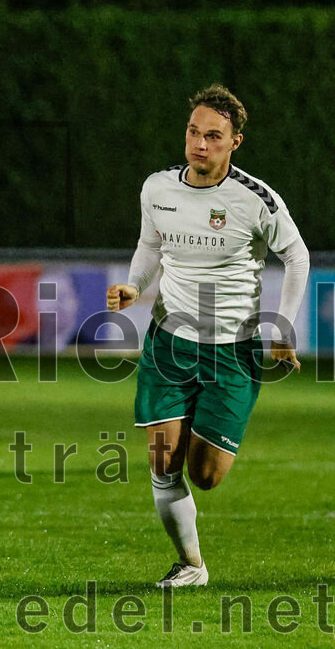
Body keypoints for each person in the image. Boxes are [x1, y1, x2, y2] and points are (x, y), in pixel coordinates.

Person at [107, 84, 310, 588]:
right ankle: (191, 565)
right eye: (193, 132)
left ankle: (207, 426)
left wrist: (282, 329)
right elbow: (149, 245)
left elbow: (297, 256)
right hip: (169, 342)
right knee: (162, 462)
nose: (199, 143)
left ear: (235, 142)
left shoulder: (255, 198)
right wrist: (134, 286)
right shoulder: (157, 188)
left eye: (212, 136)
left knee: (206, 476)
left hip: (232, 351)